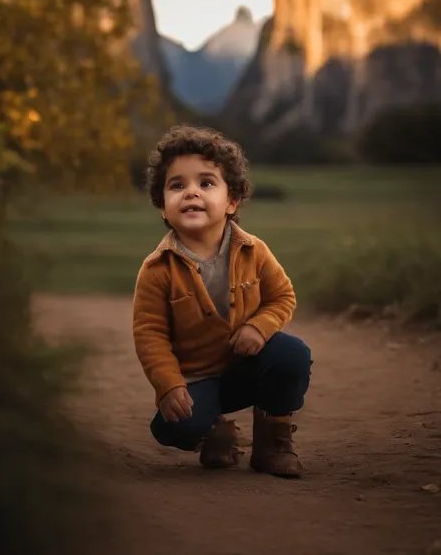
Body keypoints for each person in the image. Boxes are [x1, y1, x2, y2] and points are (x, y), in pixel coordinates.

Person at [132, 125, 312, 477]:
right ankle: (215, 432)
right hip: (197, 380)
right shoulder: (157, 269)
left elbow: (282, 297)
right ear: (163, 208)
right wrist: (168, 384)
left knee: (291, 354)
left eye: (206, 183)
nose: (191, 193)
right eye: (177, 185)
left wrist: (259, 329)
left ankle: (272, 439)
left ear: (232, 201)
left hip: (247, 367)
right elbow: (149, 334)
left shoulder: (253, 251)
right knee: (172, 427)